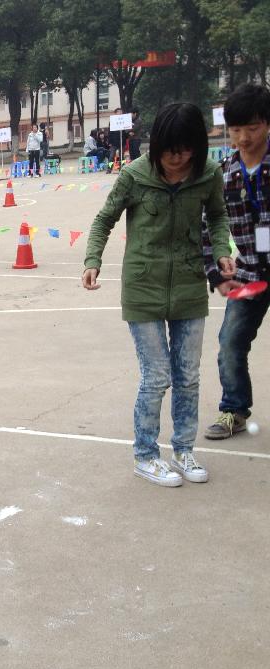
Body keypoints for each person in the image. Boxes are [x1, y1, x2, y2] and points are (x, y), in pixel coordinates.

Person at [83, 102, 231, 487]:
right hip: (143, 287)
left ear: (197, 148)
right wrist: (93, 259)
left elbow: (218, 216)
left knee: (188, 375)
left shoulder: (209, 174)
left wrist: (222, 251)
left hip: (189, 285)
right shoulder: (134, 175)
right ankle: (146, 455)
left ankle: (183, 450)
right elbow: (104, 219)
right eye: (169, 152)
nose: (176, 160)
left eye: (185, 152)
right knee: (157, 376)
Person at [203, 83, 270, 440]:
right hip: (249, 273)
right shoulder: (226, 172)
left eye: (253, 128)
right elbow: (206, 226)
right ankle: (234, 410)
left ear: (267, 124)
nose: (243, 138)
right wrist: (216, 273)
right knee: (230, 342)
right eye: (236, 129)